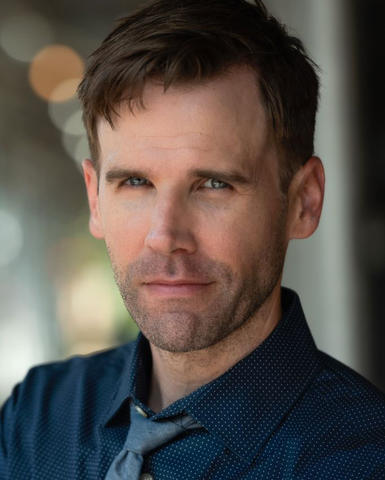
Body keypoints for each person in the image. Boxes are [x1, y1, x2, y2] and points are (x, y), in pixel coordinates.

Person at [1, 0, 385, 478]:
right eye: (135, 183)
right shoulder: (36, 417)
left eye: (214, 184)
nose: (165, 236)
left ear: (303, 202)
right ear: (95, 200)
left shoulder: (364, 459)